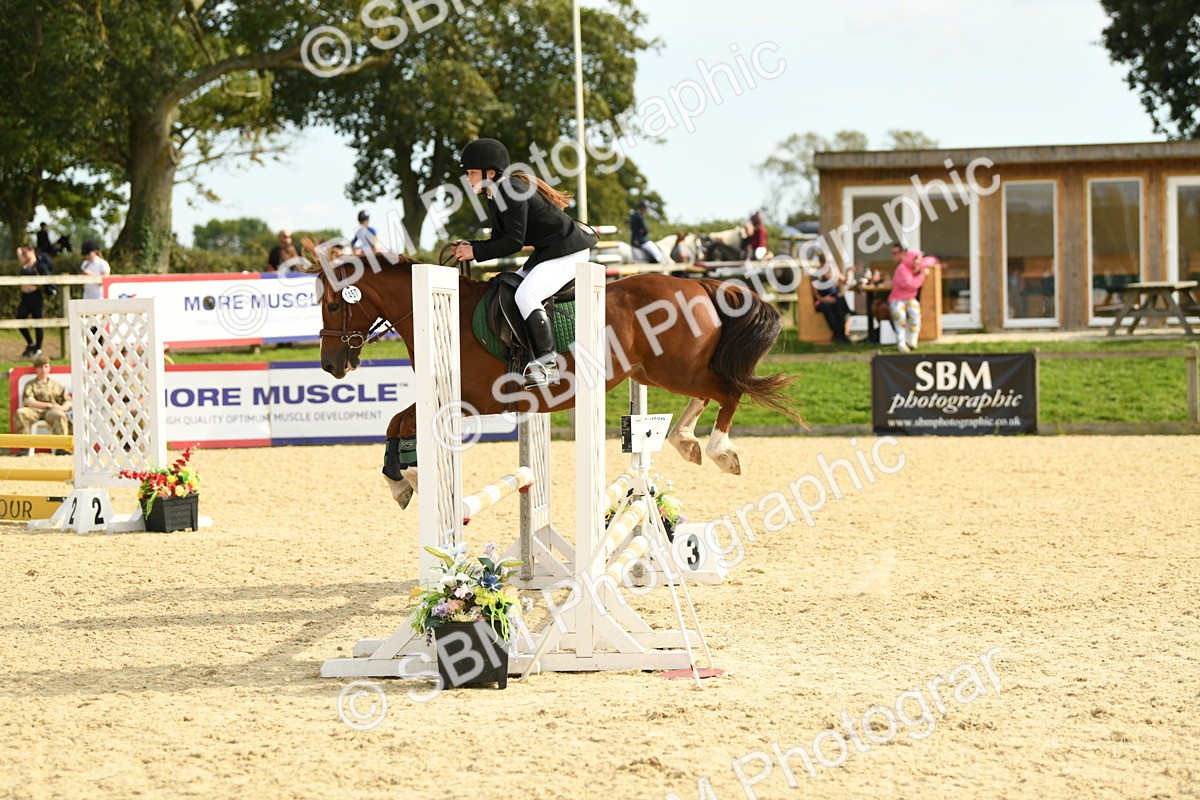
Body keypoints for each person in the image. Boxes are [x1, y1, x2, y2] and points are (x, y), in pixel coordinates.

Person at [451, 138, 598, 388]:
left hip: (568, 252)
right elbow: (499, 239)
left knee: (527, 295)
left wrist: (475, 252)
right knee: (508, 286)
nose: (468, 178)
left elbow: (513, 243)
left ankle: (547, 365)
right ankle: (521, 355)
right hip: (548, 253)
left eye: (472, 172)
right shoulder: (496, 193)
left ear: (490, 173)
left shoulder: (511, 191)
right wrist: (471, 245)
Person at [888, 250, 936, 353]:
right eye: (916, 258)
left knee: (915, 314)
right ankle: (901, 343)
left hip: (910, 299)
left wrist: (922, 264)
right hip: (897, 299)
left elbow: (932, 260)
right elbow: (911, 284)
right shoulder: (902, 269)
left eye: (919, 258)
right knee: (900, 317)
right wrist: (922, 275)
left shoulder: (915, 266)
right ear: (910, 258)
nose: (918, 261)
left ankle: (912, 340)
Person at [15, 354, 71, 441]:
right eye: (40, 367)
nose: (43, 370)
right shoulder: (30, 385)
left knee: (60, 415)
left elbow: (68, 401)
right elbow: (29, 402)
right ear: (36, 369)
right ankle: (24, 444)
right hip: (35, 411)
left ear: (49, 368)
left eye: (46, 367)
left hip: (51, 412)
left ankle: (61, 445)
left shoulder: (56, 385)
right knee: (20, 413)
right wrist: (48, 405)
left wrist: (62, 408)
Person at [809, 251, 852, 344]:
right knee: (827, 307)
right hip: (822, 301)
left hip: (834, 299)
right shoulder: (816, 275)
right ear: (822, 262)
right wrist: (823, 299)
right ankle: (837, 335)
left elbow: (844, 281)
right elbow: (815, 293)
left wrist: (848, 271)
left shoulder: (834, 272)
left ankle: (842, 335)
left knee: (839, 305)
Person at [14, 246, 45, 357]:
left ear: (32, 251)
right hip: (25, 297)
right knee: (20, 319)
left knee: (38, 321)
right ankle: (31, 343)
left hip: (35, 296)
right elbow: (18, 252)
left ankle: (38, 348)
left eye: (25, 253)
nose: (23, 255)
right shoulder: (24, 264)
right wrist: (21, 250)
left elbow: (42, 281)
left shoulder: (37, 265)